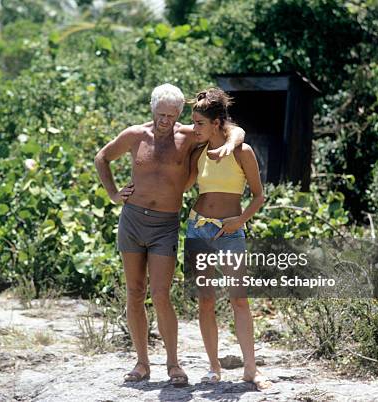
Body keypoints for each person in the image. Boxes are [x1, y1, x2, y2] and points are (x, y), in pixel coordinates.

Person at [94, 84, 245, 386]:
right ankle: (141, 363)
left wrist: (230, 146)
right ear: (152, 109)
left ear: (179, 115)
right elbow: (102, 157)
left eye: (172, 116)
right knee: (135, 293)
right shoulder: (135, 135)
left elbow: (233, 130)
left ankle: (173, 365)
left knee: (161, 295)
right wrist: (112, 193)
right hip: (133, 220)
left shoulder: (188, 134)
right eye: (161, 114)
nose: (166, 121)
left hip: (165, 224)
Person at [185, 87, 271, 389]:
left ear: (218, 122)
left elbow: (259, 197)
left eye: (199, 123)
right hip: (197, 229)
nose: (194, 127)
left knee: (240, 300)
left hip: (229, 230)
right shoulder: (197, 150)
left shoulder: (242, 152)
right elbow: (184, 185)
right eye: (193, 122)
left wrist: (240, 220)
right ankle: (213, 367)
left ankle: (251, 369)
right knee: (205, 301)